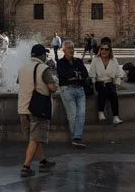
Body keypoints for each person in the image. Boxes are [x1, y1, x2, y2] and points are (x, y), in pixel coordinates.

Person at [17, 44, 58, 178]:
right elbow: (52, 87)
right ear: (42, 56)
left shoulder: (22, 68)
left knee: (34, 138)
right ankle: (26, 166)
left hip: (23, 108)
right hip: (37, 108)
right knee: (34, 139)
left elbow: (20, 83)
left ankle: (43, 161)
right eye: (45, 54)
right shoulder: (43, 69)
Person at [55, 40, 89, 148]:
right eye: (69, 48)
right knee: (73, 114)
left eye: (72, 48)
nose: (71, 50)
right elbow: (63, 75)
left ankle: (76, 138)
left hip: (80, 90)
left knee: (81, 114)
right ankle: (77, 138)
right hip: (67, 90)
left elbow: (85, 74)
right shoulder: (60, 63)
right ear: (64, 50)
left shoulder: (78, 61)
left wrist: (74, 76)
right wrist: (76, 75)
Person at [87, 40, 122, 123]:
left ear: (110, 51)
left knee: (113, 94)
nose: (104, 51)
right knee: (103, 90)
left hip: (110, 82)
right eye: (102, 49)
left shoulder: (114, 60)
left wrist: (116, 84)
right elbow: (92, 74)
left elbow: (118, 74)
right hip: (99, 82)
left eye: (106, 49)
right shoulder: (95, 60)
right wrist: (94, 85)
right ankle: (100, 112)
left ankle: (115, 117)